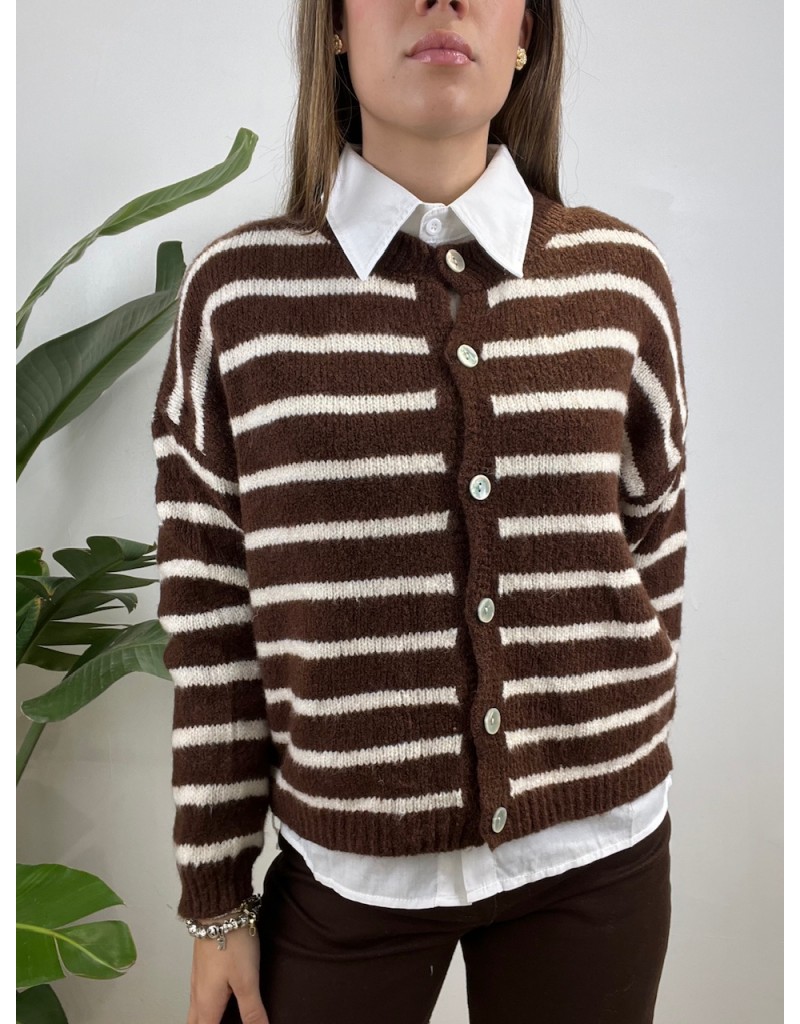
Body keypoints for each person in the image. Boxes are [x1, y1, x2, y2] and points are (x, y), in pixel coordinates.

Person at [150, 1, 689, 1022]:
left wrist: (608, 740)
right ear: (334, 28)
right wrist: (216, 898)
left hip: (598, 855)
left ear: (526, 33)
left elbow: (654, 550)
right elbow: (212, 622)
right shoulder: (238, 298)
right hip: (348, 869)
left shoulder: (620, 280)